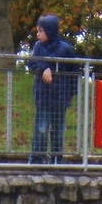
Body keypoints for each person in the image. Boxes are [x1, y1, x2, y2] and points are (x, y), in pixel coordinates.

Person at [27, 13, 80, 163]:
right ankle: (37, 157)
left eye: (41, 31)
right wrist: (45, 68)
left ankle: (57, 158)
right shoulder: (38, 47)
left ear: (49, 31)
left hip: (60, 98)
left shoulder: (65, 49)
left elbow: (74, 72)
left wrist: (70, 94)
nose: (38, 35)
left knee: (58, 130)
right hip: (43, 97)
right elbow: (32, 63)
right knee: (41, 129)